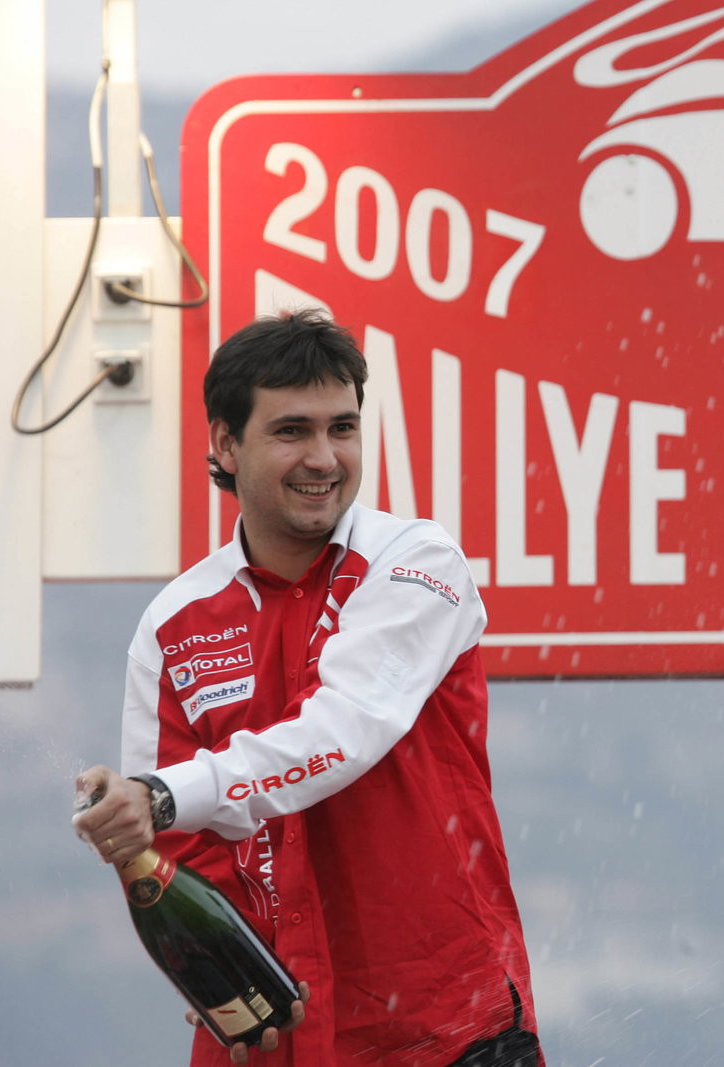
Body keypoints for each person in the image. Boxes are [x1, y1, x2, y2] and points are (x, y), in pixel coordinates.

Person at [72, 310, 540, 1067]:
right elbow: (175, 857)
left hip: (444, 1028)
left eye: (343, 428)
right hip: (265, 1040)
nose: (324, 458)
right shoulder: (173, 623)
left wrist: (155, 793)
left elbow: (342, 732)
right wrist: (143, 838)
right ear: (226, 442)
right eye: (292, 430)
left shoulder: (416, 560)